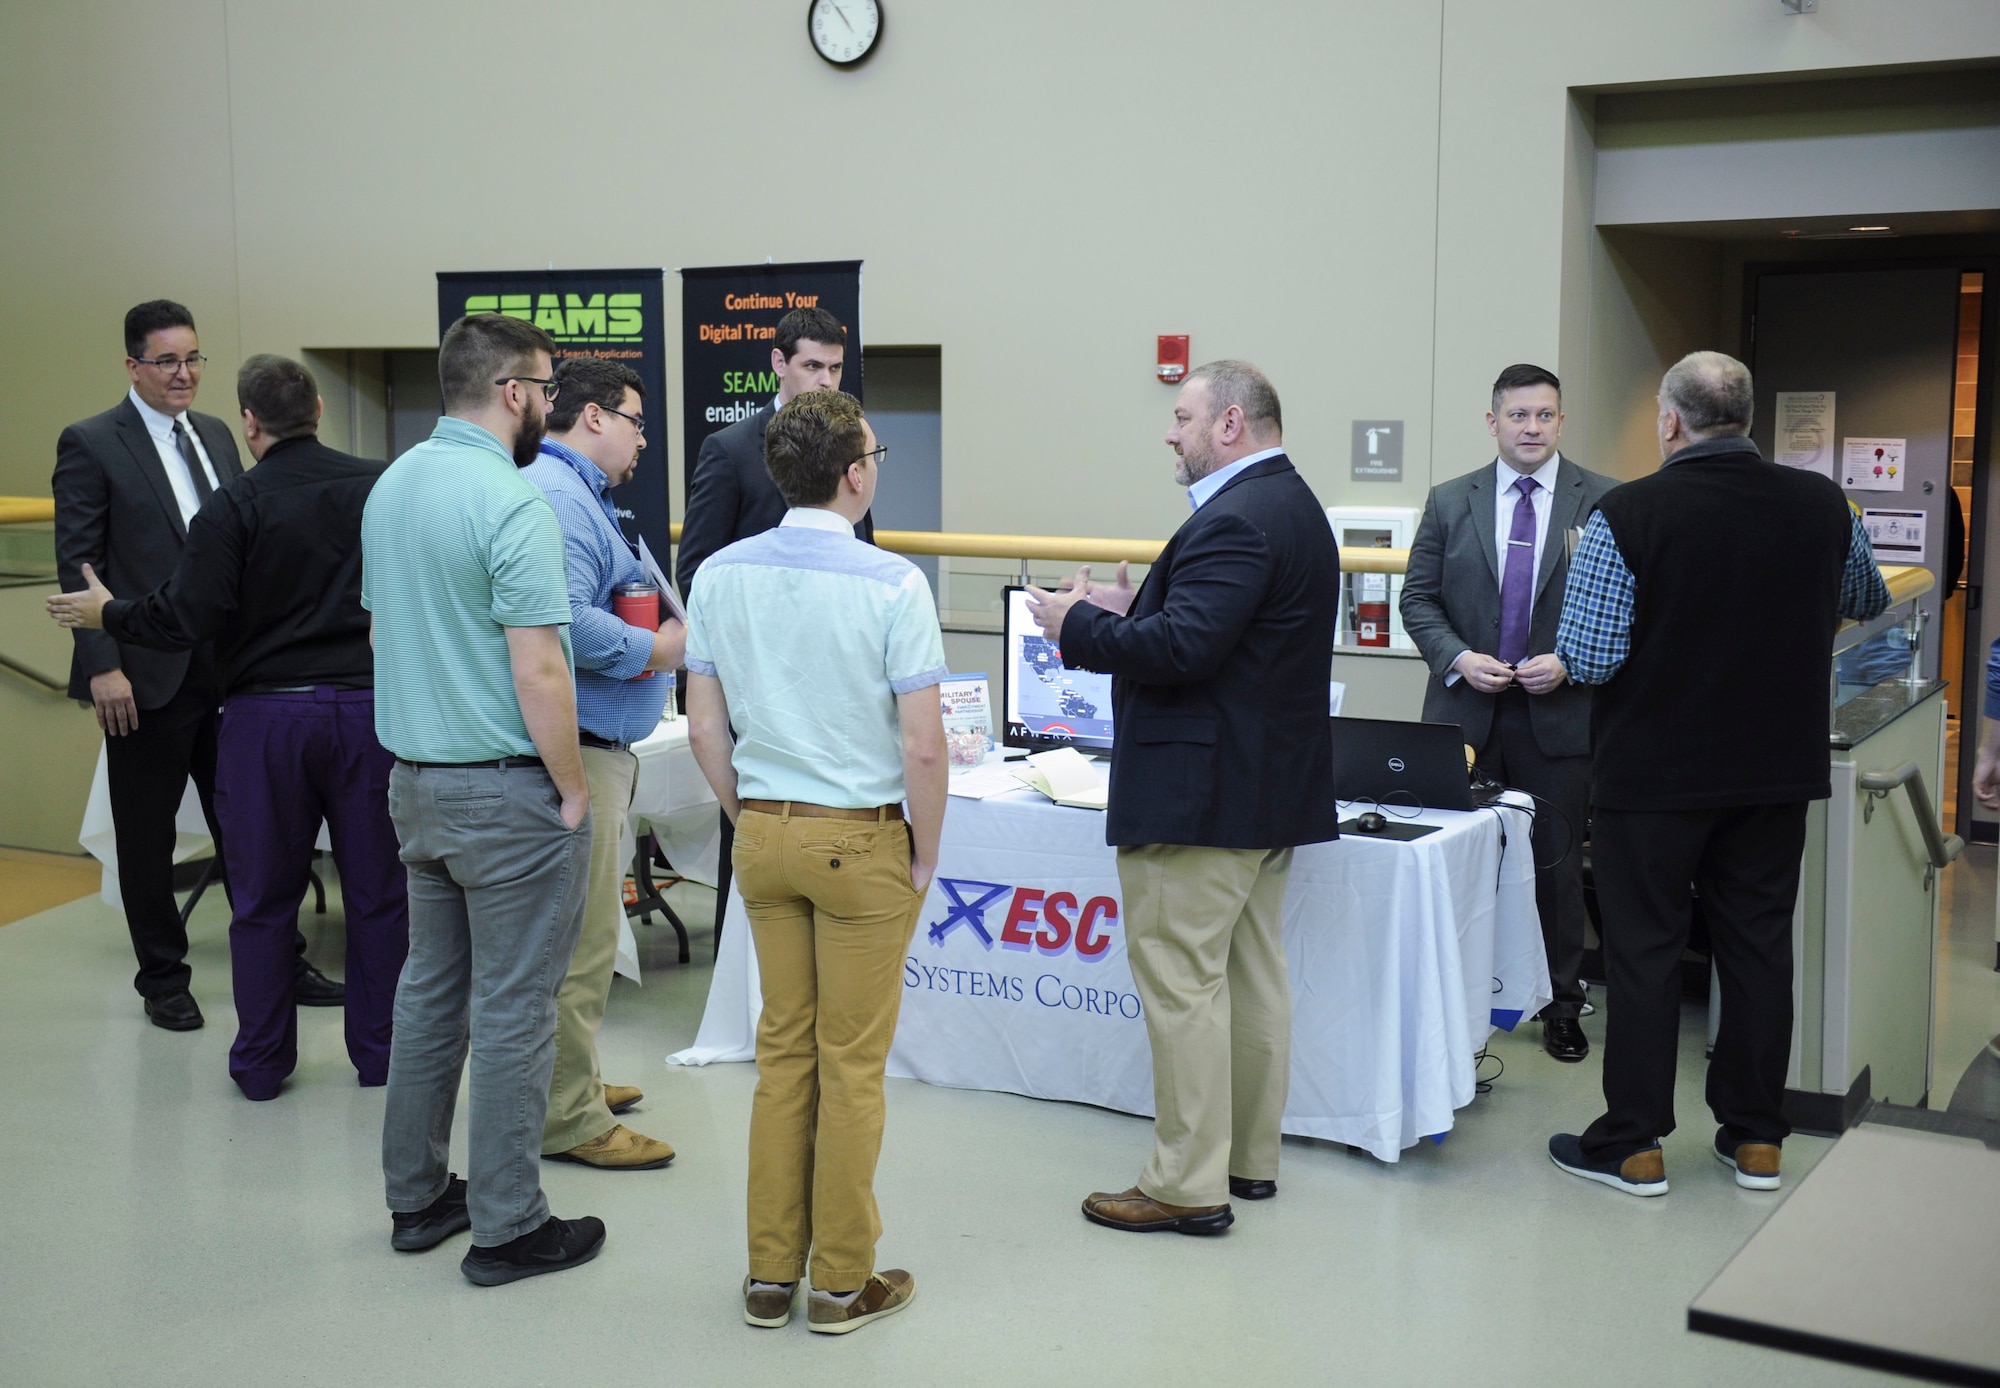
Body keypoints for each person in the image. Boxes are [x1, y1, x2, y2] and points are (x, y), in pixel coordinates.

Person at [1549, 351, 1889, 1197]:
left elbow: (1588, 658)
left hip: (1652, 779)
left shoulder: (1625, 515)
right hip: (1776, 771)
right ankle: (1757, 1138)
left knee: (1644, 955)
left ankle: (1633, 1143)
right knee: (1758, 950)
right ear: (1747, 417)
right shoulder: (1824, 506)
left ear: (1670, 420)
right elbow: (1870, 599)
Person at [1024, 359, 1341, 1235]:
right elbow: (1212, 633)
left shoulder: (1237, 518)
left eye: (1183, 415)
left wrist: (1077, 626)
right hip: (1263, 793)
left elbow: (1187, 651)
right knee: (1250, 978)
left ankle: (1184, 1184)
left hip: (1203, 798)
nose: (1171, 431)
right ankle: (1247, 1160)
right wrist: (1134, 612)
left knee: (1183, 986)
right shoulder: (1291, 505)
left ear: (1231, 424)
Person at [46, 355, 407, 1101]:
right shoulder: (382, 484)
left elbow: (183, 616)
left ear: (248, 423)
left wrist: (104, 614)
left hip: (266, 721)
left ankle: (263, 1064)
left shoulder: (235, 504)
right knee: (376, 893)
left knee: (264, 899)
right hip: (368, 714)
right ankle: (382, 1055)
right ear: (316, 406)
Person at [685, 387, 946, 1335]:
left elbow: (706, 725)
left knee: (783, 1054)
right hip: (860, 838)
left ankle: (767, 1277)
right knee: (852, 1064)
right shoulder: (891, 583)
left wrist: (746, 812)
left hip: (764, 836)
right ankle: (841, 1283)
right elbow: (923, 746)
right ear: (856, 473)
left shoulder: (717, 574)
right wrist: (926, 848)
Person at [363, 313, 603, 1284]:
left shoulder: (392, 487)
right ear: (514, 392)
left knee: (429, 994)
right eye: (545, 385)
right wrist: (575, 787)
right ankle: (508, 1224)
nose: (548, 402)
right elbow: (540, 667)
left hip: (414, 786)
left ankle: (417, 1195)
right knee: (513, 1007)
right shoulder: (511, 502)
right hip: (505, 796)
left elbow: (384, 639)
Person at [51, 300, 340, 1032]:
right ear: (132, 366)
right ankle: (163, 977)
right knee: (145, 837)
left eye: (193, 360)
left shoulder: (215, 434)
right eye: (167, 362)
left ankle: (281, 957)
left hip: (228, 671)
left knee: (252, 826)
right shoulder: (91, 442)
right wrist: (102, 667)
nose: (184, 375)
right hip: (141, 675)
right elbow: (78, 565)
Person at [1400, 364, 1615, 1063]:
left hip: (1560, 716)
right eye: (1518, 415)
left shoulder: (1604, 503)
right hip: (1467, 714)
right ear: (1492, 422)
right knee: (1458, 863)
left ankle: (1560, 1002)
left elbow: (1622, 608)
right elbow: (1419, 602)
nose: (1532, 428)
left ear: (1561, 421)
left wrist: (1572, 660)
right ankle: (1456, 1002)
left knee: (1555, 870)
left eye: (1545, 415)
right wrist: (1459, 658)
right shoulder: (1448, 501)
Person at [522, 356, 683, 1171]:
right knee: (582, 946)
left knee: (585, 939)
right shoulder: (559, 499)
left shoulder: (582, 497)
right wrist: (661, 647)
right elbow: (570, 627)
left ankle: (571, 1081)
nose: (642, 439)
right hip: (581, 748)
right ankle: (568, 1120)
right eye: (635, 421)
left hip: (602, 745)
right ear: (591, 417)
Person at [676, 306, 874, 948]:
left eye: (836, 368)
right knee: (755, 836)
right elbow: (695, 571)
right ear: (778, 364)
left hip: (840, 681)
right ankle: (741, 992)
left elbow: (859, 556)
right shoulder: (732, 450)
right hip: (759, 685)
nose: (824, 381)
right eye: (812, 366)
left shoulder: (855, 448)